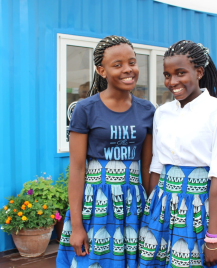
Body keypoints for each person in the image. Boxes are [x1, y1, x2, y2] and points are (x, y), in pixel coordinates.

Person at [139, 40, 217, 268]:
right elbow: (157, 166)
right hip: (163, 208)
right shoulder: (162, 113)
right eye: (167, 75)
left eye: (181, 73)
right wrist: (152, 214)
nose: (172, 82)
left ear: (199, 72)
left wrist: (213, 238)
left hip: (204, 209)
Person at [56, 35, 155, 268]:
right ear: (101, 70)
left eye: (132, 62)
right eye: (117, 65)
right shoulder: (85, 109)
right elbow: (78, 169)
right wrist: (77, 225)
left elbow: (148, 167)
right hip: (95, 203)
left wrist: (152, 215)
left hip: (133, 205)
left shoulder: (147, 110)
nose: (128, 69)